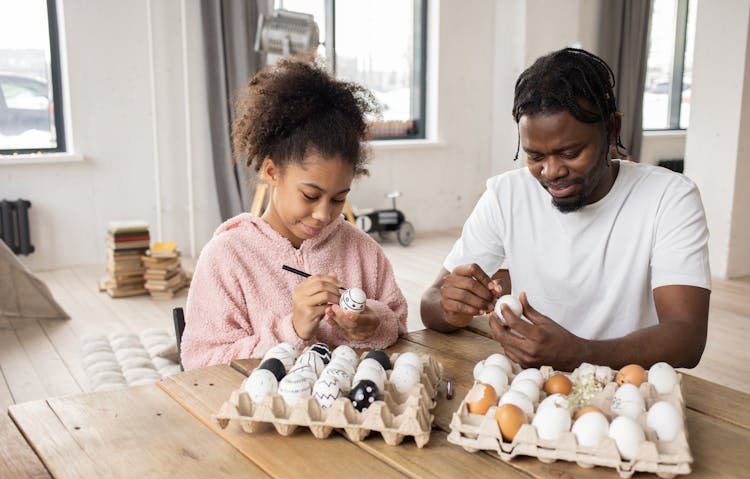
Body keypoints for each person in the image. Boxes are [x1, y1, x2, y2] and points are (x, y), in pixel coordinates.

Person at [420, 48, 710, 371]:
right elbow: (430, 302)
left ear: (612, 129)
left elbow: (687, 337)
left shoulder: (669, 197)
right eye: (535, 157)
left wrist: (581, 354)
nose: (552, 171)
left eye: (570, 152)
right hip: (534, 389)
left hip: (628, 389)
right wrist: (451, 306)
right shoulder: (506, 195)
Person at [181, 60, 408, 370]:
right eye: (310, 196)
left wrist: (375, 324)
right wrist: (292, 330)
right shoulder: (227, 258)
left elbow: (398, 324)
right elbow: (200, 365)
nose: (322, 214)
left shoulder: (363, 252)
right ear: (272, 171)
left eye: (339, 199)